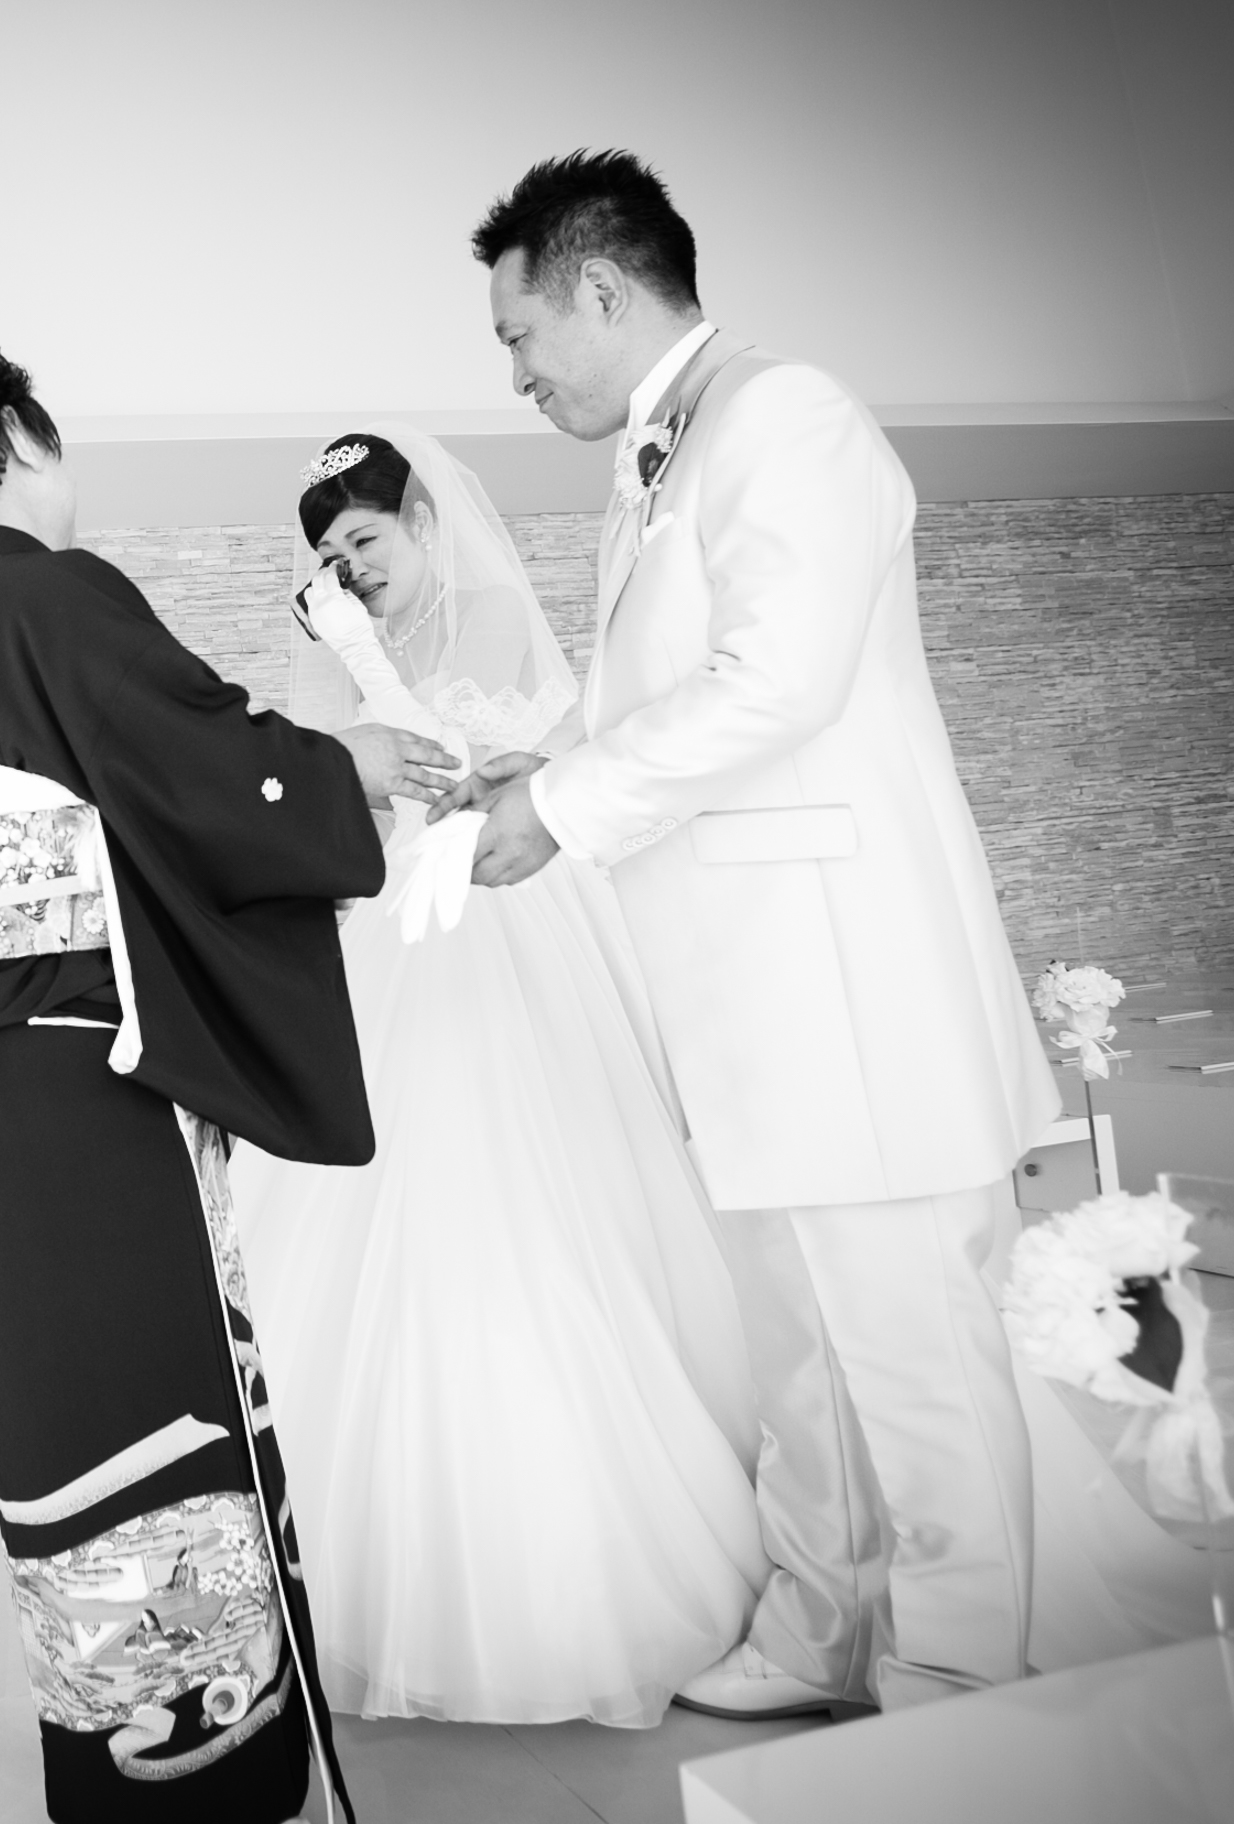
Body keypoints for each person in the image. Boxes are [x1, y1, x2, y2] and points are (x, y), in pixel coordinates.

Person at [456, 151, 1059, 1717]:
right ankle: (818, 1631)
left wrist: (566, 806)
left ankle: (960, 1684)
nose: (515, 373)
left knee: (916, 1369)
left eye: (519, 335)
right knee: (799, 1359)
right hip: (746, 1016)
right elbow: (650, 690)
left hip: (848, 995)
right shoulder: (662, 455)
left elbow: (779, 680)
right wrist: (540, 765)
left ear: (601, 288)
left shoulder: (790, 414)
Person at [0, 335, 459, 1824]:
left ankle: (123, 1749)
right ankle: (211, 1769)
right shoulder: (46, 593)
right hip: (83, 1086)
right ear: (18, 437)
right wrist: (346, 768)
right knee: (160, 1401)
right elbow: (198, 772)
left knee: (72, 1424)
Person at [228, 430, 767, 1727]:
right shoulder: (352, 648)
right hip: (399, 937)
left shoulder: (499, 630)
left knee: (533, 1192)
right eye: (330, 558)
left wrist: (361, 667)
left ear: (424, 520)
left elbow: (459, 769)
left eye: (365, 540)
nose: (351, 572)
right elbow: (357, 806)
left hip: (511, 927)